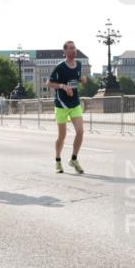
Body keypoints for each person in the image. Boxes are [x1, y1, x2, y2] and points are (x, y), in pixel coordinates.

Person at [46, 40, 85, 173]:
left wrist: (82, 80)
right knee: (62, 136)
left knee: (80, 131)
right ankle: (57, 160)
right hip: (61, 105)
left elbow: (77, 78)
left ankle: (74, 159)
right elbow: (49, 83)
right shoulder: (60, 67)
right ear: (65, 51)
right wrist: (63, 86)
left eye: (75, 48)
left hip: (75, 103)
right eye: (71, 48)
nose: (74, 50)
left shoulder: (79, 65)